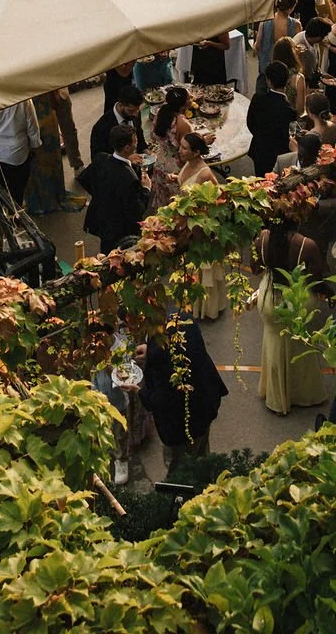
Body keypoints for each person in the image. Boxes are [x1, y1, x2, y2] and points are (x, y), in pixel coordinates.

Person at [137, 315, 228, 474]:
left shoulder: (160, 356)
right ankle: (204, 484)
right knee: (201, 454)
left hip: (178, 425)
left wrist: (138, 390)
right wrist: (150, 350)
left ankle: (184, 493)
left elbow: (157, 400)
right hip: (204, 406)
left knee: (178, 467)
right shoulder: (181, 318)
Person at [255, 217, 327, 416]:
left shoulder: (261, 238)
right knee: (301, 343)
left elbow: (255, 268)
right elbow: (317, 279)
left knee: (274, 340)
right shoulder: (307, 245)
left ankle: (276, 393)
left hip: (270, 299)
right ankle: (303, 393)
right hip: (298, 301)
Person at [176, 133, 228, 319]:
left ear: (196, 152)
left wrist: (201, 217)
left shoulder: (205, 173)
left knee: (203, 269)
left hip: (199, 230)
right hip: (186, 226)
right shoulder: (187, 164)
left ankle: (207, 309)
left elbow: (218, 199)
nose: (180, 150)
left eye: (184, 148)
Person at [78, 124, 151, 253]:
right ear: (127, 147)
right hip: (119, 229)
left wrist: (99, 195)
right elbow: (136, 211)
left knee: (105, 249)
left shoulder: (101, 158)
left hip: (101, 219)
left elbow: (84, 178)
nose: (137, 143)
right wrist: (146, 189)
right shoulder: (129, 179)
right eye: (135, 141)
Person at [24, 90, 84, 214]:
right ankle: (42, 194)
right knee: (41, 144)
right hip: (35, 100)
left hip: (53, 95)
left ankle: (55, 190)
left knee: (57, 138)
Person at [246, 60, 296, 176]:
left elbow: (250, 123)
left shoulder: (258, 99)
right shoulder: (289, 110)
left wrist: (260, 136)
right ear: (287, 80)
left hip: (259, 149)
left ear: (268, 81)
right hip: (278, 154)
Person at [147, 85, 193, 211]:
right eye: (189, 98)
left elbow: (153, 135)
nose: (192, 99)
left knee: (164, 204)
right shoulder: (183, 125)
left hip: (161, 161)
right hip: (176, 168)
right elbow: (187, 150)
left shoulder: (161, 112)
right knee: (179, 206)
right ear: (183, 106)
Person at [90, 82, 147, 156]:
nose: (136, 114)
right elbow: (98, 158)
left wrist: (145, 150)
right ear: (121, 105)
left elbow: (139, 133)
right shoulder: (101, 126)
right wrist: (124, 159)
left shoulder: (134, 113)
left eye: (137, 110)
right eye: (131, 110)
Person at [254, 0, 302, 74]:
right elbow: (297, 47)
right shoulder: (296, 24)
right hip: (287, 68)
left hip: (267, 66)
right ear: (290, 8)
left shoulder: (265, 21)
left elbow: (258, 45)